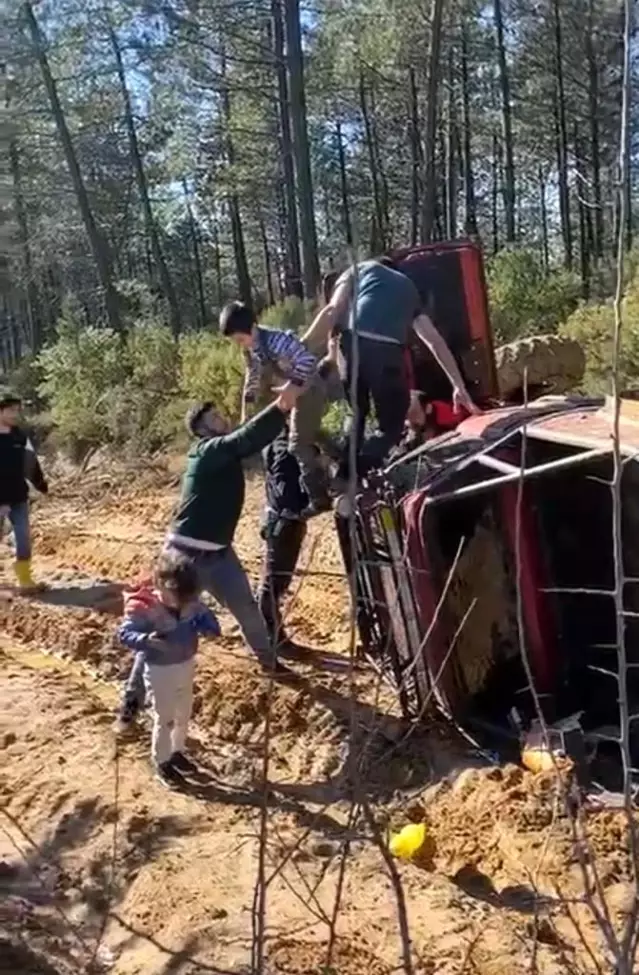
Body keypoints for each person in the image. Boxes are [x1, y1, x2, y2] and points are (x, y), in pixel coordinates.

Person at [116, 395, 296, 730]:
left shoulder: (224, 450)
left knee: (246, 609)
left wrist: (277, 408)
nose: (221, 417)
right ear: (200, 428)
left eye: (220, 413)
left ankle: (269, 662)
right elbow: (246, 438)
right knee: (164, 629)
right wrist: (283, 403)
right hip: (184, 557)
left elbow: (249, 438)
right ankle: (131, 700)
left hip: (220, 552)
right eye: (213, 416)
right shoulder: (206, 450)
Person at [298, 258, 480, 481]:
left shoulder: (355, 271)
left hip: (351, 344)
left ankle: (342, 462)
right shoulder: (408, 287)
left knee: (356, 412)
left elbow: (332, 310)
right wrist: (458, 385)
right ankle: (355, 472)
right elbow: (434, 341)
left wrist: (301, 347)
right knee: (390, 424)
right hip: (385, 350)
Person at [118, 550, 220, 787]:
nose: (184, 603)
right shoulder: (144, 608)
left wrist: (210, 628)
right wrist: (146, 640)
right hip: (159, 669)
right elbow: (125, 633)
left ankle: (177, 752)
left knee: (183, 712)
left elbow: (205, 617)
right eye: (178, 598)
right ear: (161, 586)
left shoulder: (189, 601)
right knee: (164, 717)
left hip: (185, 663)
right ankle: (161, 762)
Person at [219, 301, 331, 514]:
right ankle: (344, 457)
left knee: (297, 445)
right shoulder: (254, 349)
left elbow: (307, 360)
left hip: (309, 389)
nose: (240, 344)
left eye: (241, 339)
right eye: (236, 342)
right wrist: (246, 413)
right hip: (296, 394)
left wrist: (293, 385)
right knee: (310, 434)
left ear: (252, 328)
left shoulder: (277, 341)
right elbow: (252, 377)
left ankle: (319, 498)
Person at [256, 429, 310, 648]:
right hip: (283, 521)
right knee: (273, 583)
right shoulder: (282, 445)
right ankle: (272, 639)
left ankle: (274, 636)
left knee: (276, 582)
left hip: (283, 519)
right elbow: (284, 484)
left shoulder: (278, 442)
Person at [0, 391, 48, 592]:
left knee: (23, 536)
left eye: (17, 411)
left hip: (18, 496)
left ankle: (24, 579)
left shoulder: (19, 436)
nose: (15, 414)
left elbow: (31, 465)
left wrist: (41, 486)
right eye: (11, 410)